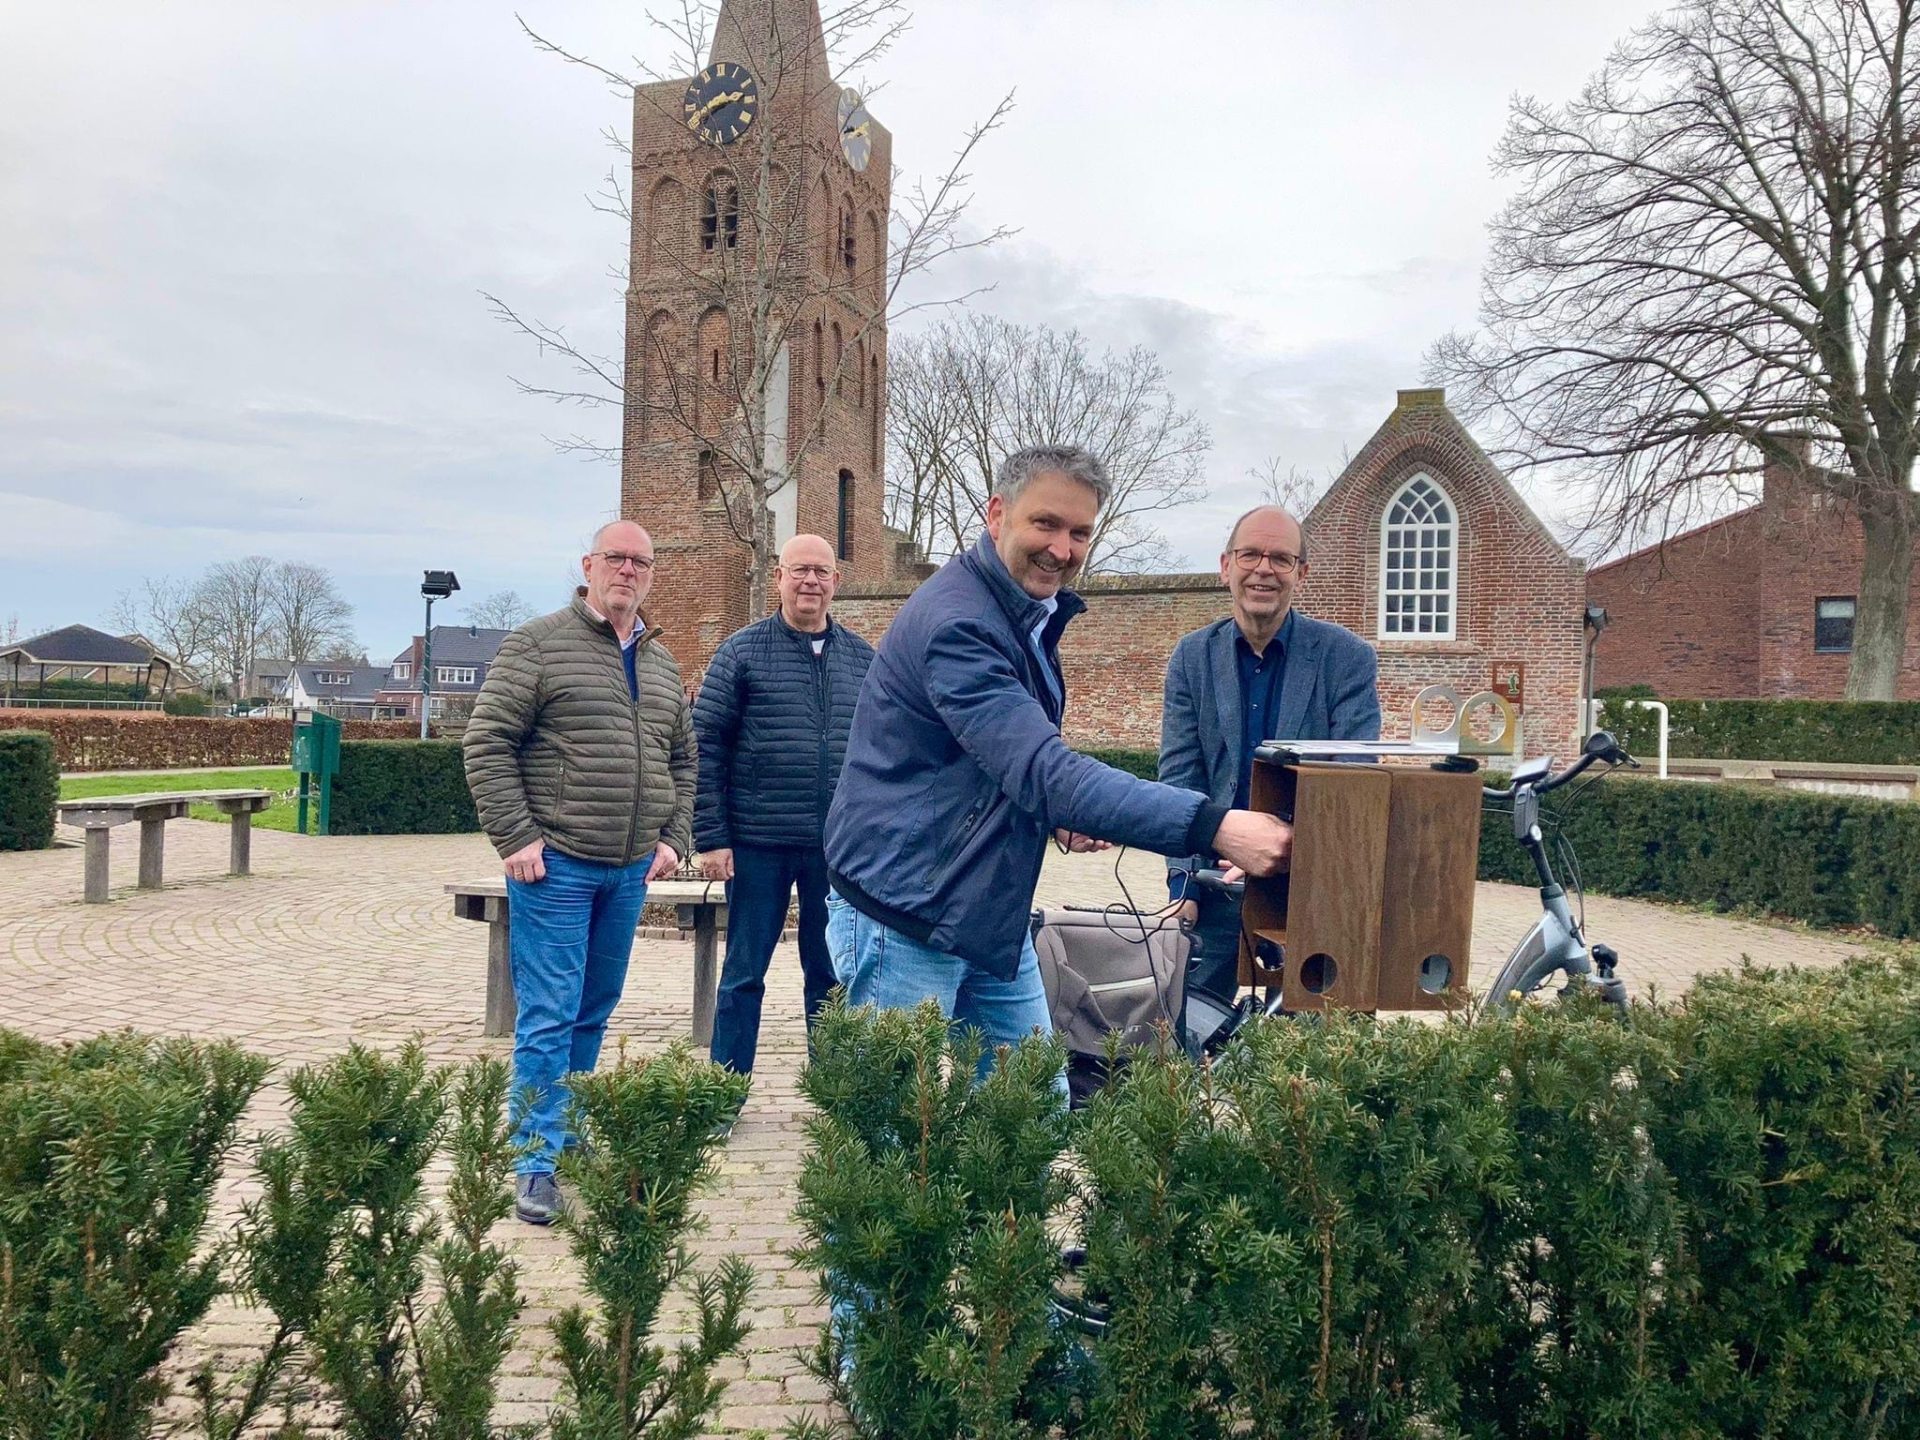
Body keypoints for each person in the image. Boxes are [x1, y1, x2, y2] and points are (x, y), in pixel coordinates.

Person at [822, 445, 1294, 1066]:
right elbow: (1045, 770)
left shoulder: (1023, 613)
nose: (1063, 549)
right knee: (891, 1133)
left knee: (1032, 1109)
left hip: (983, 910)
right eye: (1045, 524)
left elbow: (998, 763)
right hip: (903, 914)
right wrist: (1218, 826)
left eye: (1079, 532)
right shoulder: (959, 623)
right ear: (997, 514)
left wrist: (1057, 812)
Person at [462, 519, 695, 1225]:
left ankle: (567, 1133)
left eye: (641, 562)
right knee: (549, 1014)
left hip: (627, 871)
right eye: (616, 559)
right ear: (589, 565)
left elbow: (684, 758)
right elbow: (487, 741)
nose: (628, 571)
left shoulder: (659, 662)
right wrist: (515, 837)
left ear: (652, 574)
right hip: (555, 866)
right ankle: (533, 1161)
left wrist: (673, 837)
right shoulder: (538, 645)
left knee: (595, 1007)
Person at [1159, 503, 1382, 998]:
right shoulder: (1191, 658)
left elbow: (1354, 782)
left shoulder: (1347, 659)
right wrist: (1184, 889)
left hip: (1315, 890)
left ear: (1300, 573)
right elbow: (1180, 779)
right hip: (1213, 884)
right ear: (1225, 566)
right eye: (1250, 555)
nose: (1264, 568)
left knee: (1308, 1061)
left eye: (1281, 558)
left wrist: (1287, 848)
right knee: (1179, 1039)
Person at [692, 533, 876, 1075]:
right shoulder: (742, 653)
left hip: (834, 848)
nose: (810, 582)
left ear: (836, 583)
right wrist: (713, 836)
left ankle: (835, 1088)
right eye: (799, 571)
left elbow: (882, 752)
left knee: (831, 973)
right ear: (778, 577)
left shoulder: (863, 660)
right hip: (757, 844)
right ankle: (725, 1090)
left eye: (821, 572)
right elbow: (708, 745)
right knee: (745, 972)